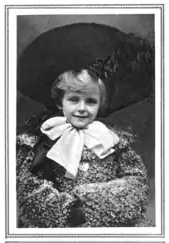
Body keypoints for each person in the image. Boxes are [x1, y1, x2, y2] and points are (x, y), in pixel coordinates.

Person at [17, 69, 151, 228]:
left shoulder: (111, 140)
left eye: (90, 101)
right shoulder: (46, 140)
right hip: (64, 227)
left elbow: (137, 182)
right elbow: (30, 189)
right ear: (60, 103)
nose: (82, 108)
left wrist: (88, 203)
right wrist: (71, 211)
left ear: (99, 104)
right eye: (73, 100)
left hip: (113, 224)